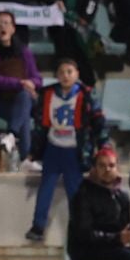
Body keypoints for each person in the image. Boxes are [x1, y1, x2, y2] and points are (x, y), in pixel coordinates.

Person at [29, 56, 105, 243]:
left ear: (77, 74)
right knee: (45, 188)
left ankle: (80, 228)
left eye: (69, 72)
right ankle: (38, 226)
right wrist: (35, 150)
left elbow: (98, 121)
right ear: (56, 75)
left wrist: (103, 144)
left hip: (74, 149)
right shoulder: (47, 94)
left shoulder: (86, 95)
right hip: (53, 148)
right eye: (61, 72)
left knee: (76, 192)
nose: (65, 75)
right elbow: (39, 124)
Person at [67, 146, 130, 260]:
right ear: (94, 169)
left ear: (117, 168)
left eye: (111, 165)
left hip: (115, 247)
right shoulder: (83, 196)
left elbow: (125, 227)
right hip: (88, 252)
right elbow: (84, 234)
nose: (107, 169)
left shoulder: (122, 197)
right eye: (102, 166)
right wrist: (117, 238)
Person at [0, 10, 41, 159]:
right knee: (23, 111)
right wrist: (20, 83)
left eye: (6, 23)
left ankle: (11, 135)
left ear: (13, 28)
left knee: (24, 99)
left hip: (17, 99)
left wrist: (29, 83)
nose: (2, 27)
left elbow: (37, 78)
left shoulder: (24, 51)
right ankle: (25, 157)